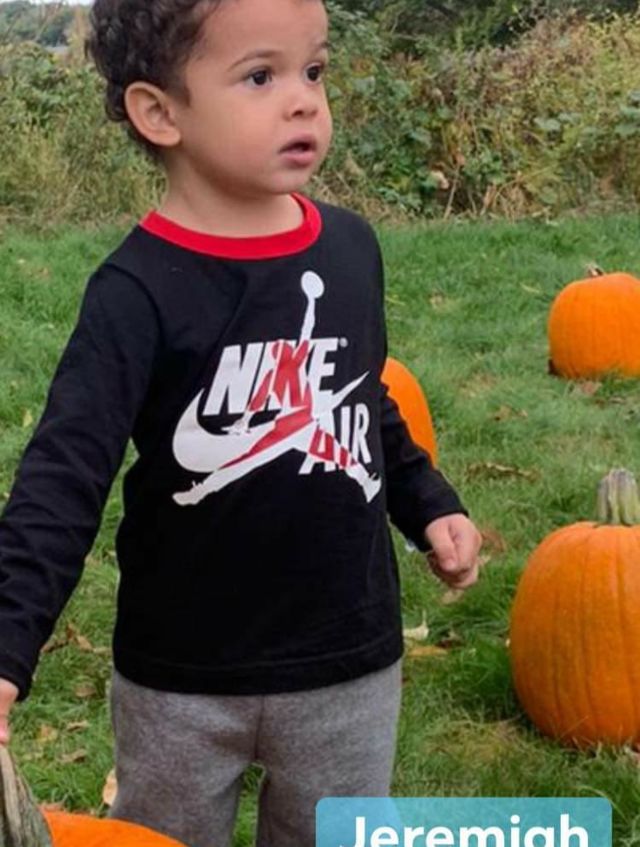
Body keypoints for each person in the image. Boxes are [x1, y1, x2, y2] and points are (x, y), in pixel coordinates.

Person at [0, 0, 482, 844]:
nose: (303, 101)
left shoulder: (350, 251)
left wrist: (428, 501)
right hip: (182, 680)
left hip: (347, 662)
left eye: (314, 71)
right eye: (261, 76)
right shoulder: (135, 292)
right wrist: (7, 644)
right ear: (161, 113)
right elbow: (63, 477)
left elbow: (360, 399)